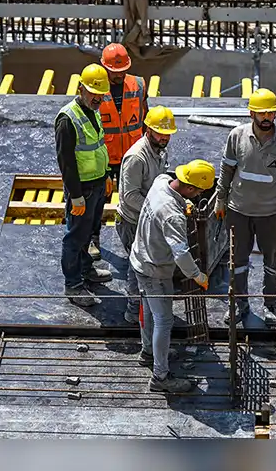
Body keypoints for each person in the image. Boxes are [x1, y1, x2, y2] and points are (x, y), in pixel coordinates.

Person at [214, 88, 276, 326]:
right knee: (237, 261)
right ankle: (238, 303)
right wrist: (221, 198)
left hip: (270, 214)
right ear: (251, 113)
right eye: (262, 113)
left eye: (270, 113)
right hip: (238, 211)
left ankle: (270, 304)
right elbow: (227, 169)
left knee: (273, 262)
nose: (266, 117)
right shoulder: (237, 136)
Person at [130, 161, 212, 393]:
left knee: (149, 311)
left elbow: (174, 196)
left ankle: (148, 352)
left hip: (139, 259)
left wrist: (185, 202)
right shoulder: (172, 216)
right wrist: (197, 275)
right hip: (154, 271)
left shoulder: (161, 182)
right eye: (198, 192)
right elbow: (181, 253)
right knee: (164, 321)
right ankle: (160, 377)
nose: (198, 196)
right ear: (190, 188)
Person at [55, 64, 115, 307]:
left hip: (97, 184)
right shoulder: (67, 119)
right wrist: (76, 195)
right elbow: (66, 162)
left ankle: (86, 270)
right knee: (75, 237)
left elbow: (98, 146)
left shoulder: (93, 111)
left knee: (89, 232)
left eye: (101, 94)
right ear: (80, 88)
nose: (97, 98)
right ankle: (73, 284)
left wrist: (107, 174)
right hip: (82, 189)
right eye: (93, 93)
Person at [89, 42, 149, 262]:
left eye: (123, 70)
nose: (119, 75)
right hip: (105, 156)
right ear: (104, 67)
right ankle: (92, 239)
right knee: (97, 200)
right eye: (115, 71)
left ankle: (140, 237)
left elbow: (145, 118)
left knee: (136, 197)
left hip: (132, 155)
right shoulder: (95, 89)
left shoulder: (138, 85)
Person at [118, 106, 177, 324]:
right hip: (132, 222)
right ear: (148, 130)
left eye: (167, 133)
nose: (164, 137)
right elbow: (130, 196)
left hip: (147, 220)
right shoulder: (137, 157)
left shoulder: (160, 150)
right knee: (137, 267)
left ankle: (146, 308)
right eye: (160, 133)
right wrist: (156, 210)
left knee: (146, 265)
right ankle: (133, 311)